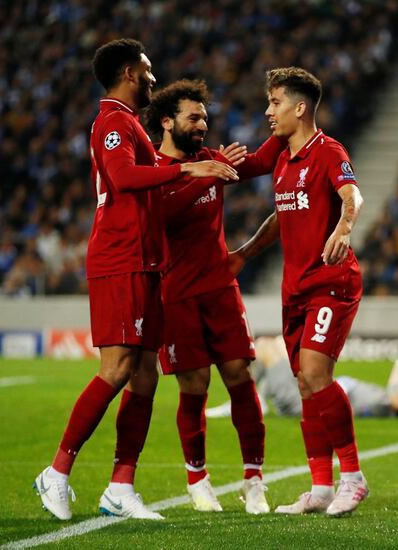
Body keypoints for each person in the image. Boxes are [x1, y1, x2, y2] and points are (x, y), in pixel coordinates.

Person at [33, 38, 238, 522]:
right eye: (148, 71)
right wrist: (190, 167)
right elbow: (124, 179)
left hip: (146, 261)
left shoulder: (131, 126)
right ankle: (57, 471)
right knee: (118, 367)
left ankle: (120, 486)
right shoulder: (111, 123)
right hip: (119, 257)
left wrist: (198, 173)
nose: (153, 78)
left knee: (145, 375)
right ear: (129, 72)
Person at [230, 67, 367, 516]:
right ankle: (322, 487)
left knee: (314, 372)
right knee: (305, 386)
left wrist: (344, 226)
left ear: (300, 107)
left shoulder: (328, 151)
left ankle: (353, 477)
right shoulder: (280, 154)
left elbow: (352, 195)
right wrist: (245, 252)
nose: (268, 112)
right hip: (296, 290)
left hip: (332, 282)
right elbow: (279, 213)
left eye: (275, 103)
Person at [144, 79, 286, 514]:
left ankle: (254, 479)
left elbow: (260, 163)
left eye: (205, 116)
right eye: (194, 116)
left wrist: (287, 129)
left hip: (220, 288)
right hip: (176, 294)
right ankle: (197, 478)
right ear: (168, 122)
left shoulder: (213, 160)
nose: (203, 123)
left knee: (240, 377)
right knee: (195, 385)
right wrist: (198, 173)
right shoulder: (149, 168)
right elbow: (160, 213)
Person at [207, 337, 398, 419]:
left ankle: (246, 403)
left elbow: (337, 404)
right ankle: (258, 400)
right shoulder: (385, 398)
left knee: (266, 347)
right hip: (307, 392)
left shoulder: (379, 404)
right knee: (276, 343)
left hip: (300, 400)